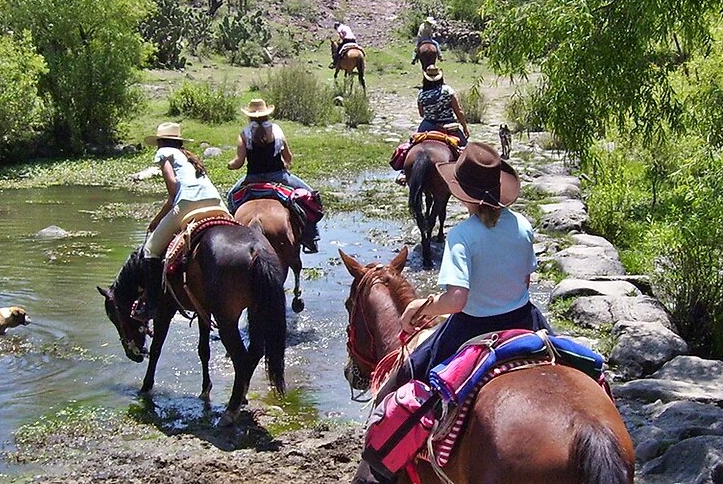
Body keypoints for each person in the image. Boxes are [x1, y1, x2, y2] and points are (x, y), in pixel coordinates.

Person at [353, 143, 554, 484]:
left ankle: (377, 471)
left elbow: (457, 299)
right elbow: (525, 277)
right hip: (525, 320)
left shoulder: (462, 235)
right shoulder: (521, 224)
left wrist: (423, 307)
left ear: (462, 194)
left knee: (403, 379)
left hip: (472, 329)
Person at [129, 122, 229, 321]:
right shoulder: (189, 156)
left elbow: (174, 191)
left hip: (188, 204)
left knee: (150, 250)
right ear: (179, 141)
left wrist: (157, 220)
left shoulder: (164, 153)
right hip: (216, 203)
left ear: (160, 142)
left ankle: (152, 305)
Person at [226, 98, 321, 253]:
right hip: (279, 177)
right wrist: (285, 165)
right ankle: (312, 237)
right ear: (267, 114)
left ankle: (230, 233)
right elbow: (288, 158)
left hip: (252, 178)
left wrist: (229, 165)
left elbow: (238, 162)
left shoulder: (244, 134)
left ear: (249, 116)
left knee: (230, 198)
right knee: (310, 197)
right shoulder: (277, 130)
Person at [416, 65, 469, 146]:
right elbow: (458, 111)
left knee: (413, 143)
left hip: (428, 125)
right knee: (464, 149)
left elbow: (421, 114)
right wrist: (464, 127)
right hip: (447, 125)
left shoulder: (421, 93)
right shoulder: (447, 90)